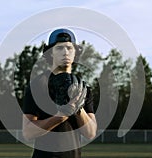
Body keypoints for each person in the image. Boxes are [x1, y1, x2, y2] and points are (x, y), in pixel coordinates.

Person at [22, 28, 97, 158]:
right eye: (59, 48)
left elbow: (90, 133)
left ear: (75, 53)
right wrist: (60, 116)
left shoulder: (83, 88)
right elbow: (28, 132)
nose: (65, 52)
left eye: (69, 48)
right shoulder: (37, 86)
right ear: (50, 53)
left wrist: (78, 109)